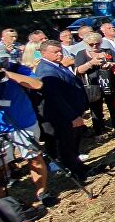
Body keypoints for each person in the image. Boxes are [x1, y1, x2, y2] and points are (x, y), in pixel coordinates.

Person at [0, 53, 56, 206]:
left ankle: (42, 192)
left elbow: (37, 84)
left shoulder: (16, 68)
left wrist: (6, 74)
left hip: (24, 122)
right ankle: (5, 203)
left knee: (34, 157)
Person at [34, 40, 89, 182]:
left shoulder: (57, 65)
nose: (59, 54)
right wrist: (72, 116)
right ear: (44, 53)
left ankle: (80, 167)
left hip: (72, 111)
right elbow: (55, 98)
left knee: (73, 144)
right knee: (67, 146)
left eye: (60, 51)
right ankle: (76, 173)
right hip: (63, 116)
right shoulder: (46, 71)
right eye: (55, 52)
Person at [74, 33, 115, 136]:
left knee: (113, 106)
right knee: (96, 109)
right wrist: (91, 63)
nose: (94, 46)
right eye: (91, 44)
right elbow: (78, 70)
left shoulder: (107, 51)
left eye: (97, 43)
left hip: (108, 83)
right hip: (93, 85)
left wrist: (112, 64)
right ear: (86, 44)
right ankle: (99, 132)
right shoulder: (82, 54)